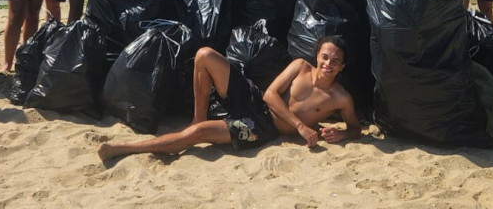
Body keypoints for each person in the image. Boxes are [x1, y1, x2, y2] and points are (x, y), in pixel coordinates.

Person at [97, 36, 360, 162]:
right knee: (204, 54)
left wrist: (343, 135)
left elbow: (355, 128)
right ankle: (196, 116)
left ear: (342, 67)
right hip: (256, 101)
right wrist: (302, 126)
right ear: (317, 56)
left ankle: (127, 148)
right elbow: (269, 94)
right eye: (325, 57)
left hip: (262, 128)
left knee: (200, 133)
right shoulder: (300, 66)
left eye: (335, 61)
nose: (328, 64)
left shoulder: (341, 97)